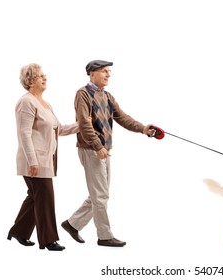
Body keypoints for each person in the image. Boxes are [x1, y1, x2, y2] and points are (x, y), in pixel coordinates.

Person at [61, 60, 158, 247]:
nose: (108, 75)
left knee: (100, 194)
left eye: (109, 72)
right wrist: (97, 146)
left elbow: (122, 117)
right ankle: (104, 236)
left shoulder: (106, 96)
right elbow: (84, 123)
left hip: (104, 150)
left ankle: (72, 224)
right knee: (101, 195)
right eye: (104, 71)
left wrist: (143, 128)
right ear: (91, 74)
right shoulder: (83, 94)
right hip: (91, 149)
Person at [8, 63, 79, 251]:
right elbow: (24, 133)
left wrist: (81, 125)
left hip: (47, 159)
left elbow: (59, 129)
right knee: (45, 197)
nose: (44, 78)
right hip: (35, 161)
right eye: (40, 76)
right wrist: (32, 161)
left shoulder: (45, 104)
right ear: (30, 82)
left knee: (35, 196)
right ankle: (48, 240)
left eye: (44, 75)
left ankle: (19, 231)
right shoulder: (26, 102)